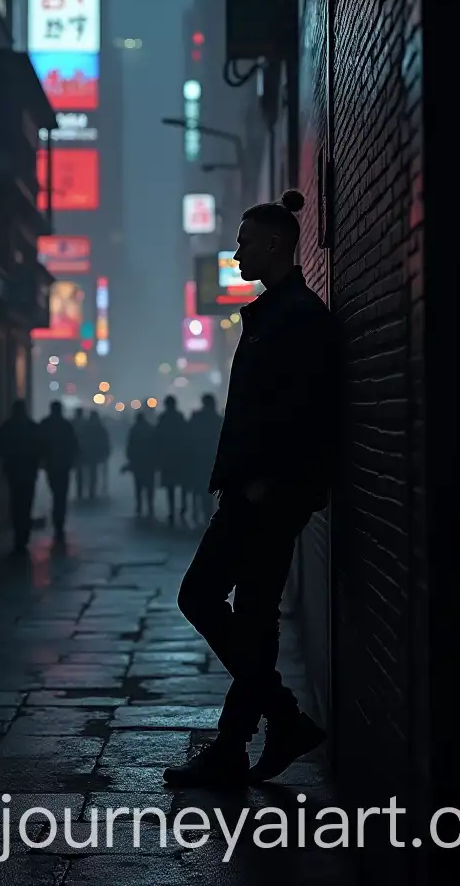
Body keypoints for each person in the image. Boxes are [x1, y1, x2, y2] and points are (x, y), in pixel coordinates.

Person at [164, 189, 338, 787]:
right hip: (261, 491)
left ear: (274, 244)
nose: (236, 253)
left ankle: (281, 717)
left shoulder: (297, 320)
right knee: (257, 619)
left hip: (264, 496)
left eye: (243, 243)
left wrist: (259, 485)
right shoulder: (276, 316)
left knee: (199, 595)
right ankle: (236, 746)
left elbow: (301, 415)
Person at [0, 400, 41, 551]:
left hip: (13, 471)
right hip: (29, 470)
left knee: (15, 503)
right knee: (26, 503)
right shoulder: (33, 427)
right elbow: (41, 447)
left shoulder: (7, 427)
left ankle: (18, 535)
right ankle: (23, 535)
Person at [38, 401, 78, 542]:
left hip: (51, 464)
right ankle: (59, 521)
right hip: (64, 465)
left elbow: (38, 443)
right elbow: (74, 444)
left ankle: (57, 520)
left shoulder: (45, 424)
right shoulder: (66, 425)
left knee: (55, 492)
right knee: (61, 495)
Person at [153, 396, 190, 525]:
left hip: (167, 457)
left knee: (170, 487)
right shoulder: (180, 417)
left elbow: (157, 439)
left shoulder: (163, 418)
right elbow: (187, 435)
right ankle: (183, 507)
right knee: (183, 484)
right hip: (180, 456)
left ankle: (172, 510)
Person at [187, 394, 223, 523]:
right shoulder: (217, 419)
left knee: (199, 488)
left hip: (198, 458)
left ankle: (199, 512)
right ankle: (206, 513)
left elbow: (189, 437)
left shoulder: (197, 418)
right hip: (211, 459)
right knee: (209, 488)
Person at [124, 411, 156, 517]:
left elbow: (130, 445)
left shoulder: (134, 430)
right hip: (149, 461)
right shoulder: (150, 429)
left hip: (137, 461)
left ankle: (139, 505)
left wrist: (130, 458)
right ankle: (150, 505)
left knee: (138, 485)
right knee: (150, 485)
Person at [83, 411, 111, 499]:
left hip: (88, 452)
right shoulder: (100, 427)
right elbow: (105, 440)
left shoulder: (86, 427)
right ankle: (95, 488)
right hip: (98, 452)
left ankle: (88, 488)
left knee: (88, 471)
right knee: (95, 472)